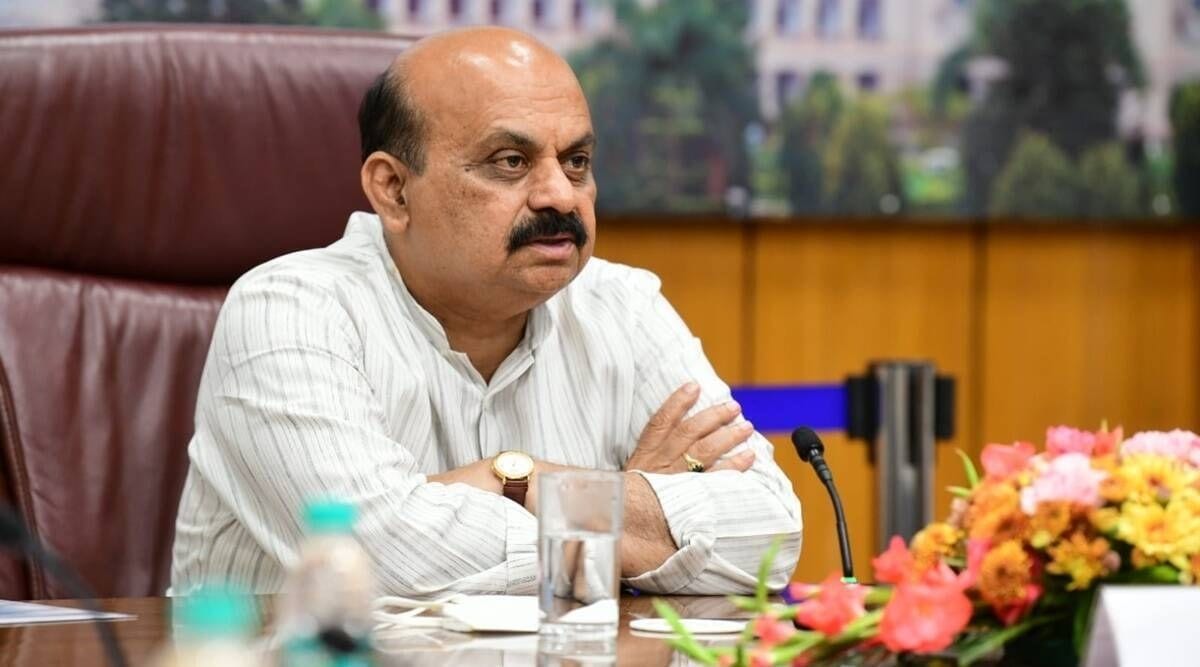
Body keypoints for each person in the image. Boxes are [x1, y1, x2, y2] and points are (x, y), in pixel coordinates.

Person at [170, 26, 801, 597]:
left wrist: (514, 478)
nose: (560, 195)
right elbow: (383, 559)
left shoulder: (623, 305)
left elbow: (772, 535)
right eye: (511, 162)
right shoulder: (287, 310)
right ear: (393, 190)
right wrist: (624, 505)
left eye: (576, 162)